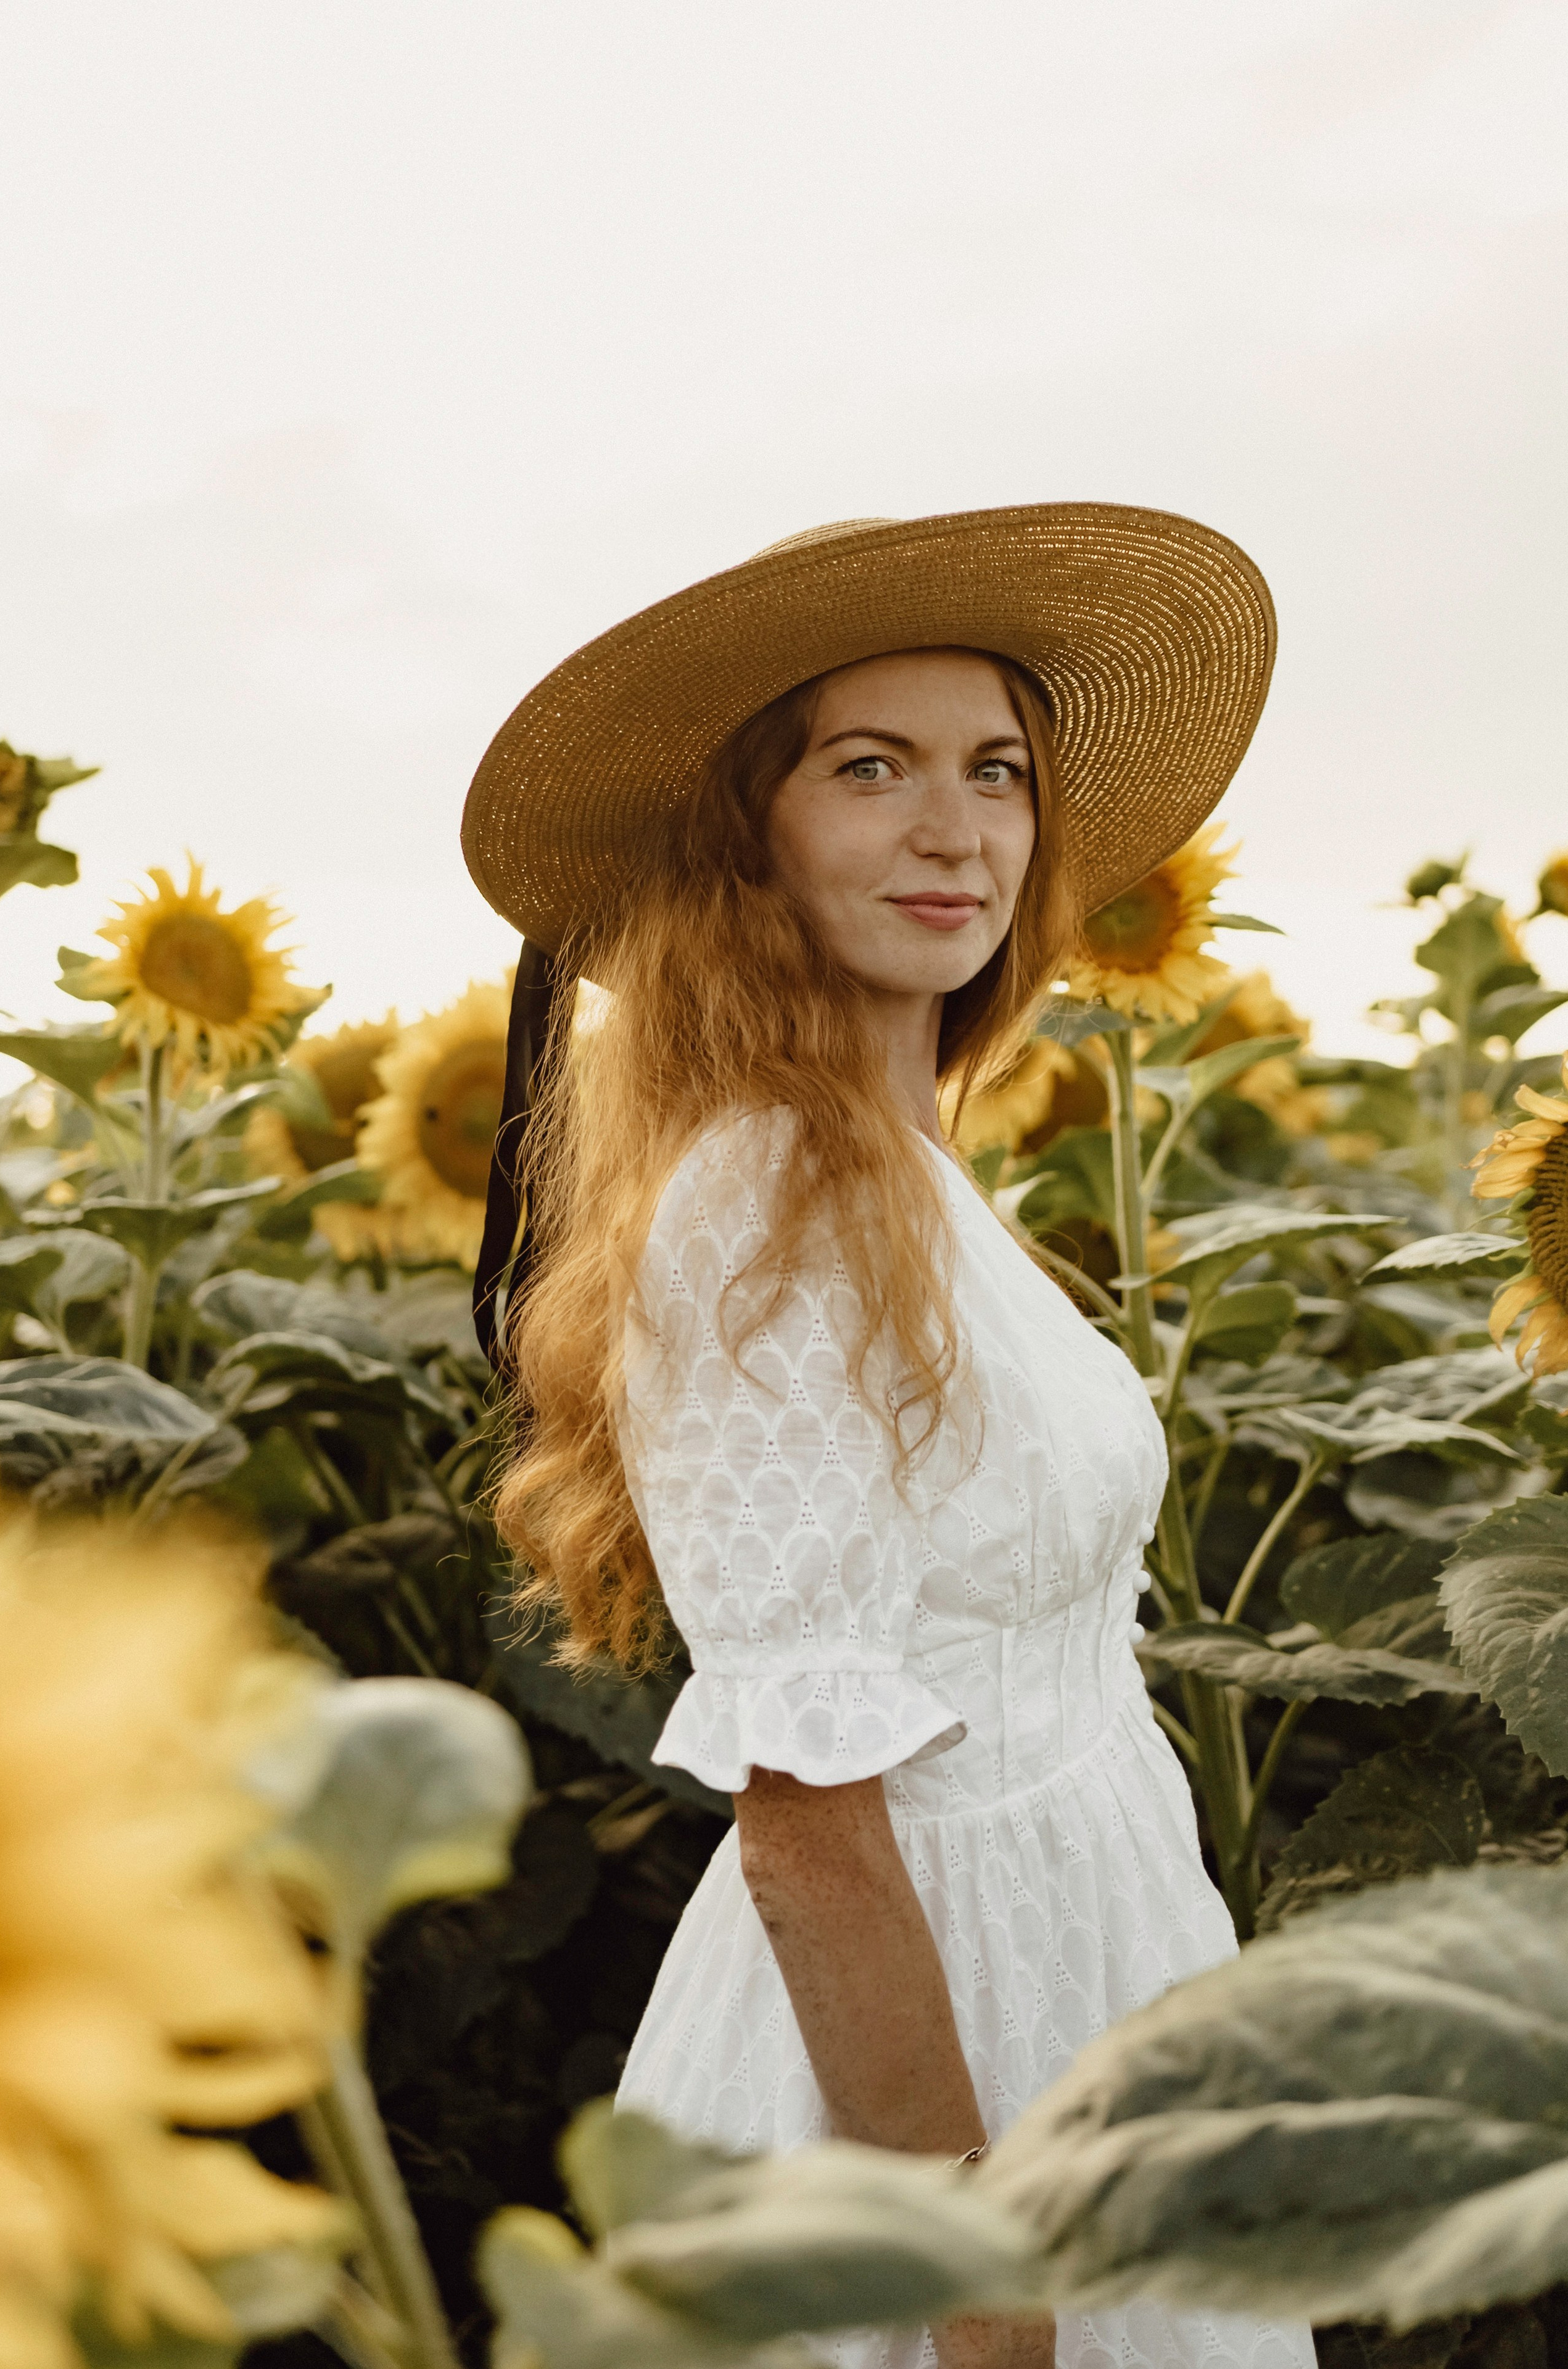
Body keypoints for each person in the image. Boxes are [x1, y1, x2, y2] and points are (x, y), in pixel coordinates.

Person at [463, 508, 1314, 2369]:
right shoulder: (762, 1200)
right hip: (934, 2054)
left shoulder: (900, 1160)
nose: (960, 830)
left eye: (997, 771)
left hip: (1085, 1967)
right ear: (745, 837)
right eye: (872, 769)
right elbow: (813, 1839)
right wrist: (971, 2285)